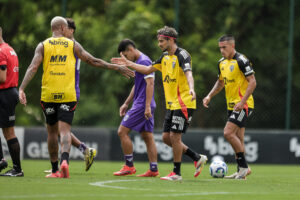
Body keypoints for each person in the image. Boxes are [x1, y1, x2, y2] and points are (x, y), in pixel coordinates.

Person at [18, 16, 134, 178]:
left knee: (52, 133)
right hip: (68, 93)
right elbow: (93, 61)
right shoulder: (73, 45)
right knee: (64, 130)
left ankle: (54, 170)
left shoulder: (43, 45)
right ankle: (65, 161)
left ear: (53, 28)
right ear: (63, 29)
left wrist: (22, 88)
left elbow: (33, 67)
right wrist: (116, 67)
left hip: (49, 94)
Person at [112, 26, 208, 181]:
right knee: (165, 138)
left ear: (171, 40)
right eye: (159, 41)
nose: (159, 44)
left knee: (174, 137)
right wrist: (129, 64)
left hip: (183, 102)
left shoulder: (182, 55)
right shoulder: (164, 57)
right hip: (172, 104)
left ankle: (176, 173)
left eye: (162, 41)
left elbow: (188, 73)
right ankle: (196, 157)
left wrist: (191, 88)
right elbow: (147, 69)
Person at [43, 18, 97, 175]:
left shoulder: (72, 45)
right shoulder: (63, 45)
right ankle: (85, 150)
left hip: (69, 89)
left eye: (65, 28)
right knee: (59, 129)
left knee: (59, 129)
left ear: (70, 30)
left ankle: (65, 160)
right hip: (61, 89)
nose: (62, 31)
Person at [202, 35, 256, 179]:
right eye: (220, 47)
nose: (221, 50)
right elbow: (220, 83)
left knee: (228, 133)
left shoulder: (241, 60)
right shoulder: (221, 63)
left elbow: (252, 82)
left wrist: (242, 101)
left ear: (232, 46)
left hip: (244, 105)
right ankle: (242, 171)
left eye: (224, 47)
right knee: (239, 137)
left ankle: (243, 166)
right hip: (231, 106)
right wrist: (209, 96)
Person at [113, 39, 159, 177]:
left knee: (122, 131)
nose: (126, 60)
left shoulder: (144, 61)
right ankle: (153, 169)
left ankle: (129, 166)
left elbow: (150, 84)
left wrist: (146, 107)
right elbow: (138, 84)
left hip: (143, 104)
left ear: (130, 50)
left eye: (126, 56)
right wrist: (126, 103)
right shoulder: (139, 62)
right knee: (147, 136)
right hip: (144, 103)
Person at [0, 27, 24, 177]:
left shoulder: (1, 51)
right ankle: (12, 166)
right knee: (8, 131)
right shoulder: (10, 49)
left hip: (4, 93)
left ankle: (15, 168)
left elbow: (2, 78)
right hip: (11, 92)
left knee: (9, 132)